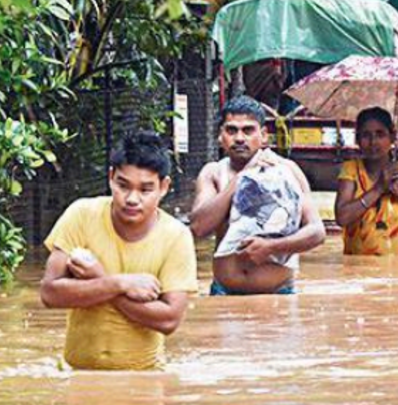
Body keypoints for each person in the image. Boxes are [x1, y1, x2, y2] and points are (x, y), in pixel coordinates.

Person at [39, 131, 198, 370]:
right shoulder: (81, 214)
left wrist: (98, 278)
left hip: (145, 378)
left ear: (164, 187)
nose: (132, 199)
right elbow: (50, 294)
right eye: (123, 186)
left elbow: (169, 320)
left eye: (145, 189)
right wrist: (118, 284)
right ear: (111, 177)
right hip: (78, 375)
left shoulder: (176, 237)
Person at [190, 95, 326, 295]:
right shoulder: (213, 173)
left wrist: (271, 247)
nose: (239, 138)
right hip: (225, 292)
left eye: (248, 130)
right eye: (231, 130)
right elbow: (198, 227)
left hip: (280, 293)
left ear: (263, 135)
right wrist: (242, 179)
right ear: (221, 136)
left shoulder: (288, 170)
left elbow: (317, 232)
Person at [333, 107, 398, 256]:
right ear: (357, 140)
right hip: (361, 271)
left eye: (380, 134)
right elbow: (342, 218)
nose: (373, 142)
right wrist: (378, 189)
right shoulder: (351, 171)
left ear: (392, 138)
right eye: (366, 135)